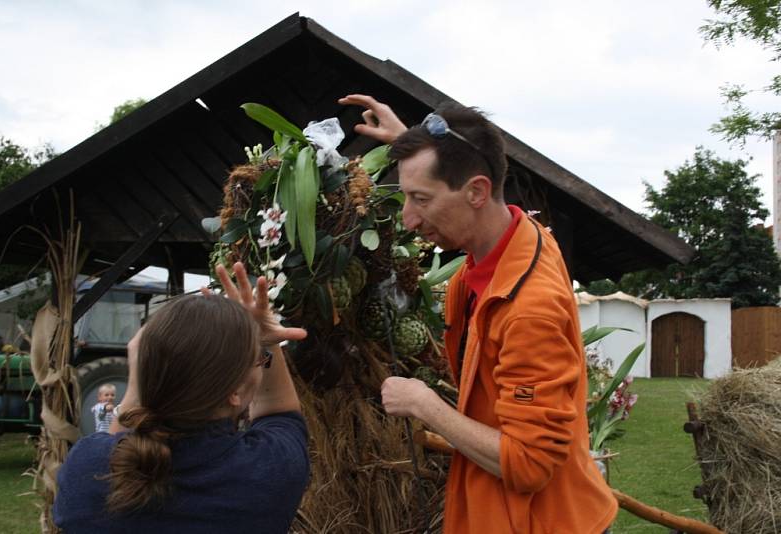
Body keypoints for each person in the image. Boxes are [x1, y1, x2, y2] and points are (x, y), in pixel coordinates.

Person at [340, 95, 618, 533]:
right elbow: (465, 158)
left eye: (421, 199)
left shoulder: (529, 309)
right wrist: (414, 144)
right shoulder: (519, 238)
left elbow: (529, 465)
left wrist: (424, 404)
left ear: (476, 191)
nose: (409, 218)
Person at [53, 262, 309, 533]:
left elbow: (117, 445)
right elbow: (280, 414)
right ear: (233, 391)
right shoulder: (267, 472)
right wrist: (266, 340)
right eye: (259, 360)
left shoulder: (87, 469)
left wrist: (140, 381)